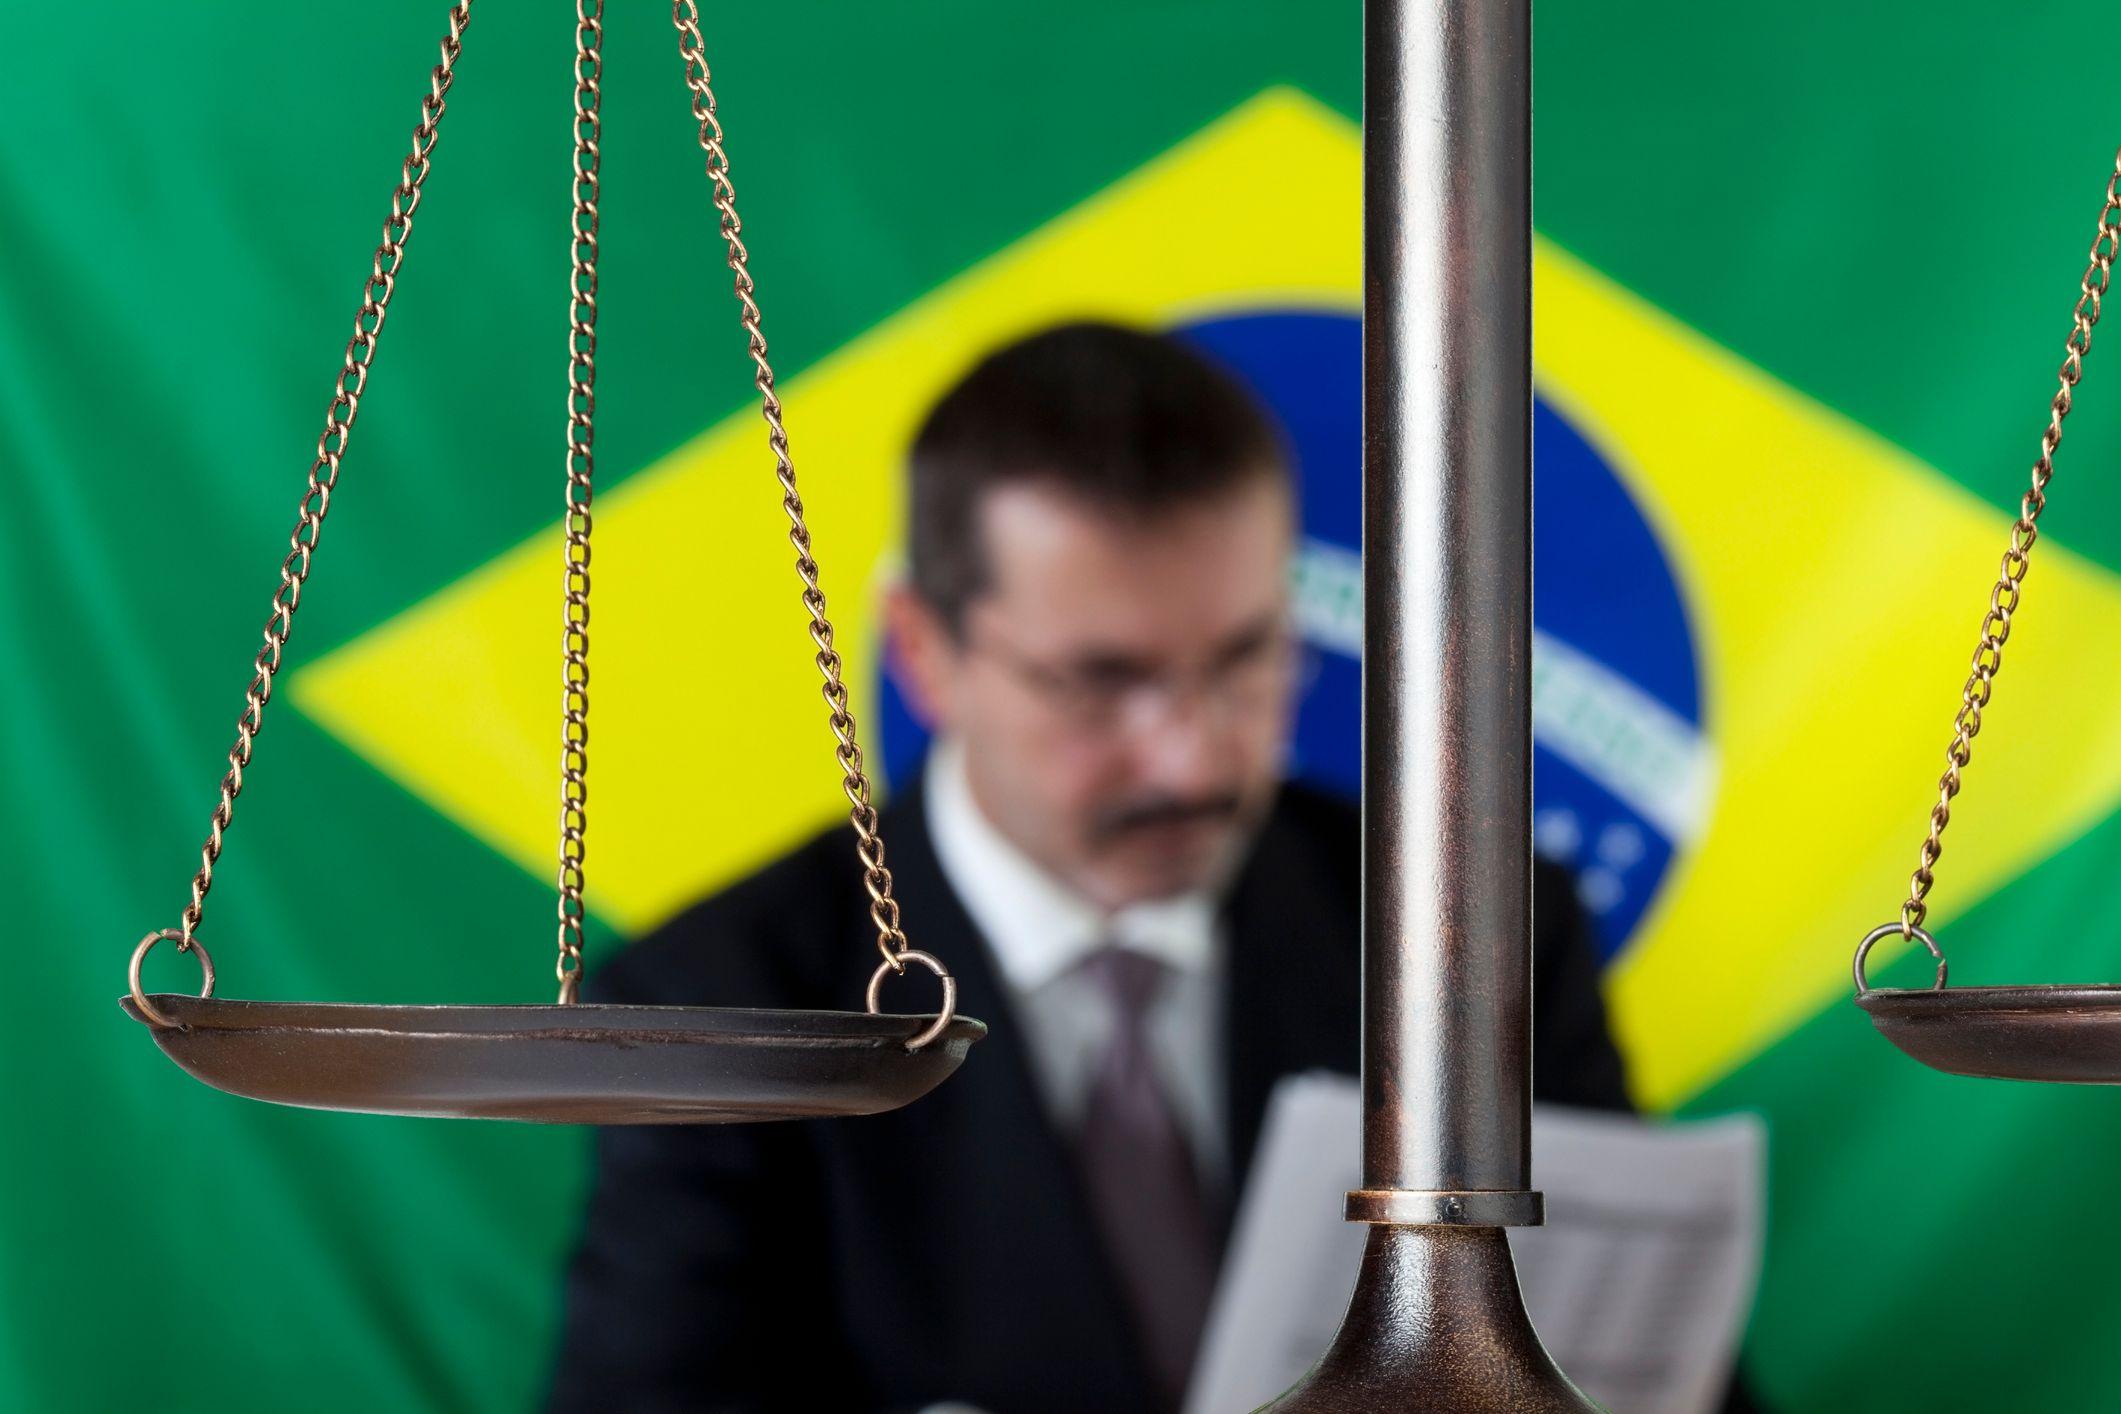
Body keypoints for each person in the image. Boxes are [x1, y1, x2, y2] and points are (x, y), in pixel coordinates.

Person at [546, 321, 1631, 1413]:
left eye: (1246, 658)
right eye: (1100, 681)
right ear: (923, 649)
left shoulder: (1475, 930)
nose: (1192, 756)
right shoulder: (716, 1012)